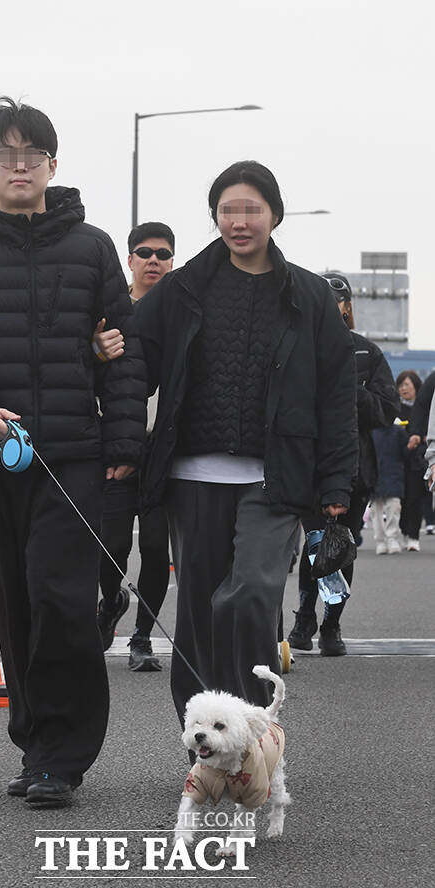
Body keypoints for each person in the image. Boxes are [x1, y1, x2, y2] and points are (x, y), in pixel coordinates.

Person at [0, 97, 146, 808]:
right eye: (6, 155)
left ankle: (62, 756)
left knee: (60, 599)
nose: (19, 166)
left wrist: (124, 442)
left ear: (52, 165)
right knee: (15, 605)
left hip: (73, 455)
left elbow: (124, 352)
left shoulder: (92, 249)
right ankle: (35, 745)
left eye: (33, 155)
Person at [134, 160, 358, 722]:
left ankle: (250, 725)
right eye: (227, 210)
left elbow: (337, 396)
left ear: (274, 215)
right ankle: (204, 739)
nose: (238, 222)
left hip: (275, 476)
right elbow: (134, 362)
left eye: (250, 210)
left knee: (253, 593)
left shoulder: (310, 296)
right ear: (215, 216)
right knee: (197, 616)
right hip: (192, 477)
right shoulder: (182, 288)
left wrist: (336, 484)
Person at [288, 273, 399, 655]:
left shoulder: (367, 353)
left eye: (336, 299)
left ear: (347, 306)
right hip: (308, 465)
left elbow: (388, 409)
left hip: (355, 467)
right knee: (316, 542)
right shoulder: (296, 346)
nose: (329, 305)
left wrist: (347, 390)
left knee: (341, 545)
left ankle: (331, 624)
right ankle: (304, 615)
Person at [93, 222, 175, 671]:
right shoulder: (109, 313)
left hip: (165, 455)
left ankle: (142, 638)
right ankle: (110, 602)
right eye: (144, 252)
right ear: (129, 260)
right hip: (118, 452)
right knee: (111, 548)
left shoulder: (182, 314)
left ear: (172, 262)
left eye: (163, 254)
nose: (153, 260)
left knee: (158, 551)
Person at [397, 370, 429, 550]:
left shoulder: (425, 410)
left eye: (406, 385)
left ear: (416, 386)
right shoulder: (395, 409)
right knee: (402, 499)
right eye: (400, 385)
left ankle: (413, 536)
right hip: (399, 461)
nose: (403, 389)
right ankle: (403, 531)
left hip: (418, 460)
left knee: (415, 498)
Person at [369, 420, 408, 554]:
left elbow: (405, 454)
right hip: (376, 474)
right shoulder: (371, 431)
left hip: (392, 473)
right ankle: (381, 541)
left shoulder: (399, 432)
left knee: (393, 506)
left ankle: (391, 538)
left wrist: (410, 447)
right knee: (376, 510)